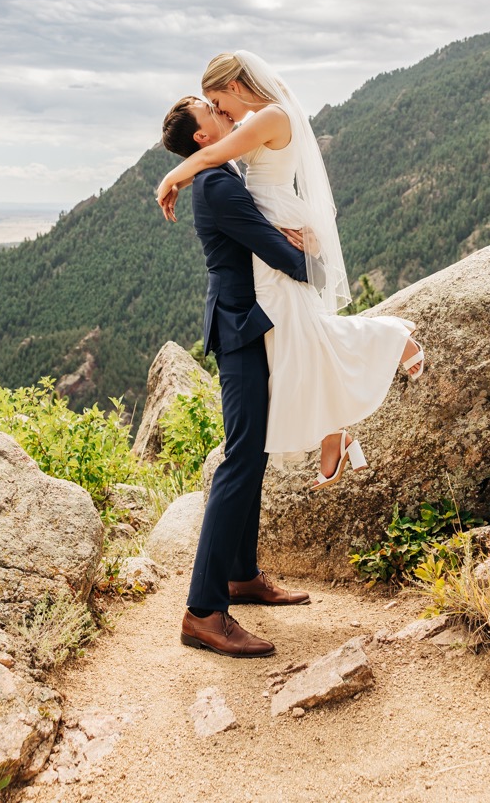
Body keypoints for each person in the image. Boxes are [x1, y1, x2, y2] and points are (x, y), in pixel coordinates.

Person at [157, 51, 424, 487]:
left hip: (274, 219)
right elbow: (213, 153)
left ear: (236, 87)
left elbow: (212, 154)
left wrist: (170, 178)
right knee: (292, 329)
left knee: (292, 324)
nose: (222, 111)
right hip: (271, 220)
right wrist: (183, 174)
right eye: (214, 108)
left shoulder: (270, 117)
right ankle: (331, 429)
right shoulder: (254, 121)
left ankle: (391, 340)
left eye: (218, 101)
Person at [160, 95, 314, 658]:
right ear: (202, 138)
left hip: (247, 323)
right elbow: (279, 254)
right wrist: (316, 252)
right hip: (240, 328)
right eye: (213, 114)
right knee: (241, 456)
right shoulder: (219, 185)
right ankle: (202, 611)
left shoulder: (218, 172)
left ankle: (241, 574)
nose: (225, 116)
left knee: (254, 451)